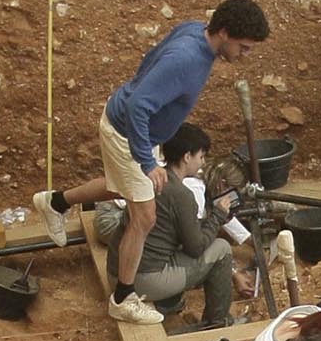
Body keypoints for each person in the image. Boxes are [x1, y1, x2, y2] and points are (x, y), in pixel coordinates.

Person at [64, 0, 269, 324]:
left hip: (138, 132)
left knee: (123, 193)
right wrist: (146, 161)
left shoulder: (194, 32)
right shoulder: (187, 58)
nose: (245, 56)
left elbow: (147, 69)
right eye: (243, 47)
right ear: (225, 32)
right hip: (129, 133)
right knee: (144, 216)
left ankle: (57, 203)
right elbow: (138, 107)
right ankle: (123, 299)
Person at [91, 122, 241, 327]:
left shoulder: (150, 178)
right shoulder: (182, 195)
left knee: (174, 247)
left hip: (117, 272)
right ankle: (217, 322)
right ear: (187, 156)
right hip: (142, 282)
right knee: (222, 250)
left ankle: (169, 305)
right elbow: (195, 247)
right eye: (201, 156)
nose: (202, 163)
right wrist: (218, 216)